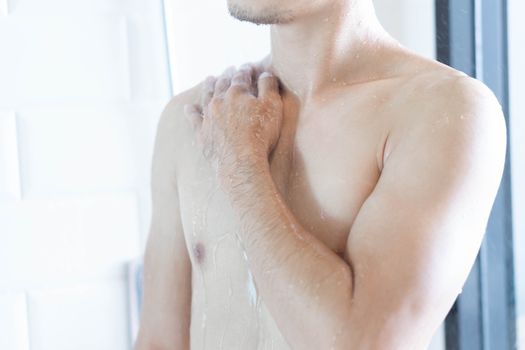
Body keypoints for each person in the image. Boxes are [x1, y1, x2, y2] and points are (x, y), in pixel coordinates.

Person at [134, 0, 507, 349]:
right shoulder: (194, 119)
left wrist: (242, 169)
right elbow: (158, 342)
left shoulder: (443, 112)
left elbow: (361, 343)